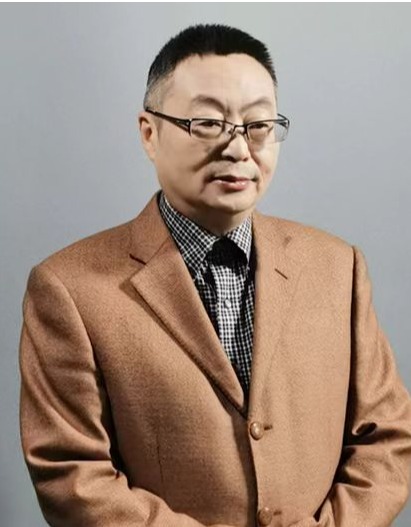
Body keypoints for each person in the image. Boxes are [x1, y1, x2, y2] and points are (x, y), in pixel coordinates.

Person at [19, 23, 411, 527]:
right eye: (207, 123)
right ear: (149, 133)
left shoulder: (338, 267)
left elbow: (388, 438)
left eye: (259, 125)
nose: (238, 148)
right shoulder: (69, 288)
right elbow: (73, 475)